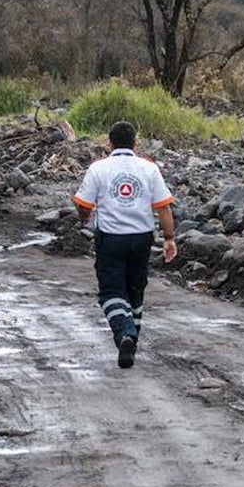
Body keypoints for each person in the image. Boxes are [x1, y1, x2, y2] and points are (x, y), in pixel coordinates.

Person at [73, 120, 176, 369]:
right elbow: (163, 207)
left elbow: (83, 204)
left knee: (111, 291)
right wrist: (169, 238)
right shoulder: (149, 168)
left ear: (109, 144)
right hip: (142, 238)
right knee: (135, 289)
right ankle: (132, 340)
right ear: (135, 143)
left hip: (111, 238)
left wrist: (85, 218)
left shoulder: (98, 168)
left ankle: (125, 335)